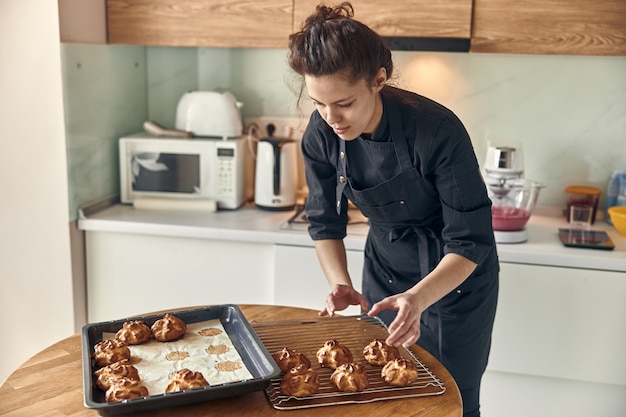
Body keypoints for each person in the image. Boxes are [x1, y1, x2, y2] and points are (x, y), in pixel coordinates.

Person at [287, 3, 499, 417]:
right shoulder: (322, 131)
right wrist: (340, 282)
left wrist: (418, 300)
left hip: (453, 280)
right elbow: (323, 220)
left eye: (344, 103)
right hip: (384, 271)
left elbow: (470, 240)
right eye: (319, 103)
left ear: (378, 79)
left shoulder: (437, 131)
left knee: (450, 398)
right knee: (382, 393)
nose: (331, 118)